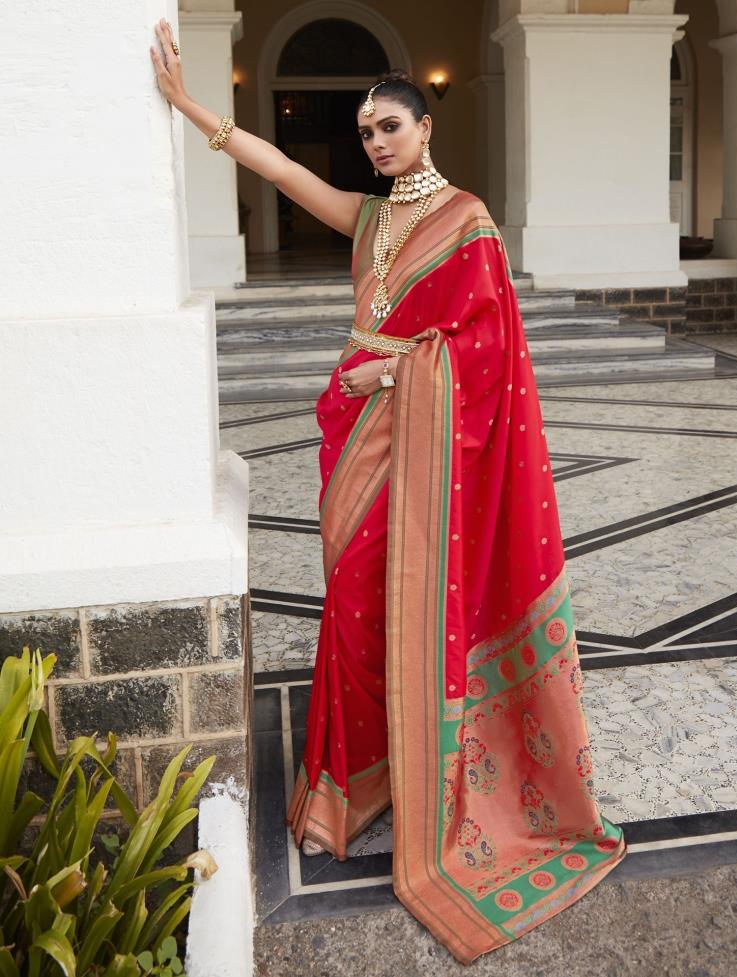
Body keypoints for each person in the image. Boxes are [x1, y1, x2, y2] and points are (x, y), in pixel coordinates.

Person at [151, 21, 627, 965]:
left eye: (388, 127)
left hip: (406, 421)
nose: (374, 142)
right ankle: (355, 777)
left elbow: (489, 357)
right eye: (365, 130)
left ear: (424, 130)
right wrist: (192, 108)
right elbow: (284, 173)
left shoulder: (469, 222)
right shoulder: (370, 219)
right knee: (356, 605)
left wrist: (399, 374)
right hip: (353, 431)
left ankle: (418, 775)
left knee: (390, 598)